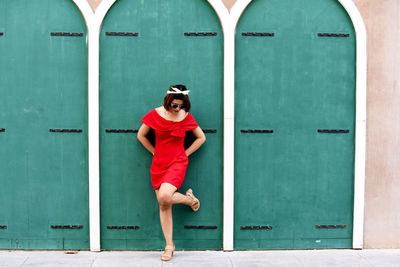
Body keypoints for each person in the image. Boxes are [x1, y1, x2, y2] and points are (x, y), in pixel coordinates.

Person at [137, 84, 206, 261]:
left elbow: (201, 138)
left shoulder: (186, 116)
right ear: (168, 101)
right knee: (164, 205)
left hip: (178, 162)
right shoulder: (155, 114)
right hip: (159, 163)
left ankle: (188, 200)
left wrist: (185, 153)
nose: (178, 109)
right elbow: (141, 135)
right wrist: (154, 151)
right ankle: (169, 245)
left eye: (181, 106)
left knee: (165, 197)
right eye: (175, 105)